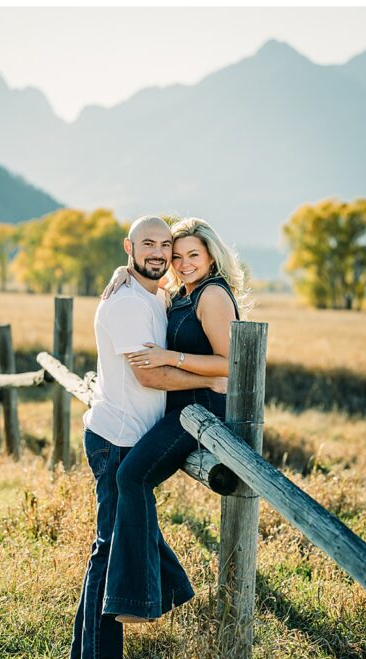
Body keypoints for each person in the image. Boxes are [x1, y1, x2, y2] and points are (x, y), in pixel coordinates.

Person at [70, 215, 229, 659]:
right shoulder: (125, 303)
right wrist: (214, 378)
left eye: (169, 247)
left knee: (113, 542)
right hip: (116, 438)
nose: (162, 254)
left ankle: (92, 655)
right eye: (150, 245)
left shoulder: (154, 294)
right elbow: (148, 374)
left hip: (127, 434)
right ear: (129, 247)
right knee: (110, 544)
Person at [100, 216, 248, 626]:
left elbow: (231, 365)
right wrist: (122, 270)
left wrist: (170, 358)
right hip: (180, 408)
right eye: (176, 254)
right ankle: (169, 587)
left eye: (192, 255)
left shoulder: (212, 296)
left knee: (131, 477)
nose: (181, 262)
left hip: (198, 410)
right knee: (130, 480)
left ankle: (140, 600)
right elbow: (146, 285)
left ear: (211, 257)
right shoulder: (182, 293)